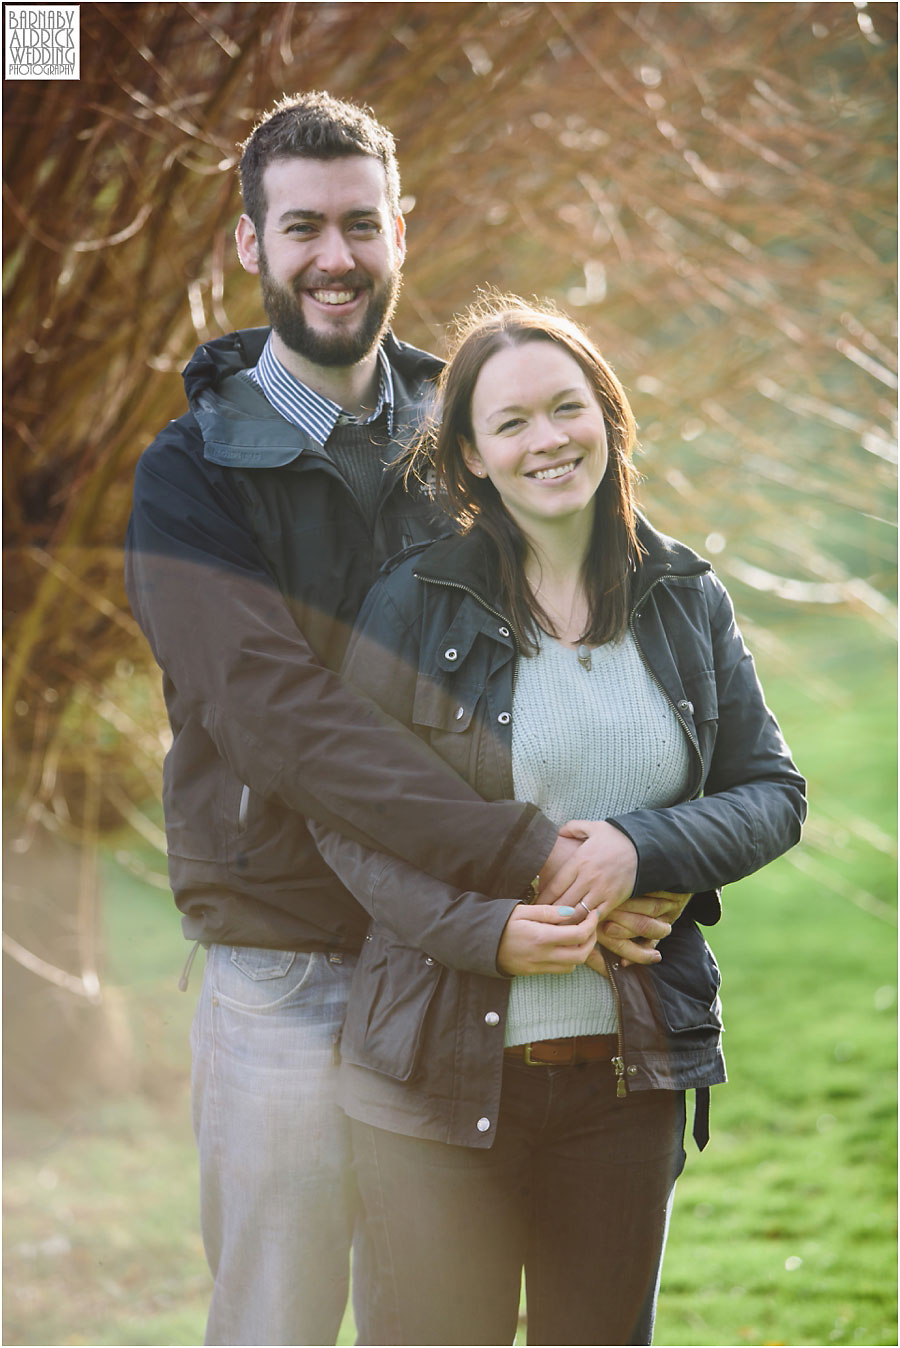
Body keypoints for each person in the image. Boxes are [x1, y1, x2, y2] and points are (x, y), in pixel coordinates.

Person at [124, 95, 667, 1346]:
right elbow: (284, 723)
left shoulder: (475, 430)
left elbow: (604, 636)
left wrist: (641, 852)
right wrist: (532, 850)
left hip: (471, 960)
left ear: (402, 232)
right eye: (301, 225)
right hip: (294, 961)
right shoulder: (190, 472)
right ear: (249, 243)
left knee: (444, 1323)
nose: (334, 256)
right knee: (281, 1318)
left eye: (359, 224)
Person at [312, 295, 807, 1346]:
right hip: (437, 1083)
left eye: (566, 407)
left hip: (627, 1081)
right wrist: (485, 932)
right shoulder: (415, 602)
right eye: (512, 423)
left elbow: (772, 791)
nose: (548, 439)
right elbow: (347, 819)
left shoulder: (684, 597)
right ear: (475, 458)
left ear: (609, 419)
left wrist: (641, 846)